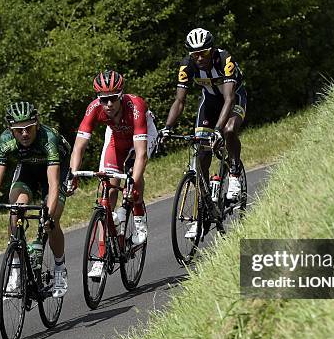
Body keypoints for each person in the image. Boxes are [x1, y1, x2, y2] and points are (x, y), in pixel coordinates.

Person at [0, 101, 71, 298]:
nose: (25, 134)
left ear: (36, 123)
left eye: (28, 128)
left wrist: (48, 215)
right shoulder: (5, 141)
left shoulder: (48, 138)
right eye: (19, 130)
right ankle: (17, 267)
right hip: (27, 170)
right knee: (16, 209)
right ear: (10, 129)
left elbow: (53, 184)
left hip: (54, 170)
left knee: (51, 219)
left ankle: (60, 267)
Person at [68, 70, 158, 278]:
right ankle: (100, 257)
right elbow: (79, 147)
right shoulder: (94, 109)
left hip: (142, 135)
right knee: (106, 193)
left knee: (134, 170)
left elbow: (142, 154)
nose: (108, 104)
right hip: (117, 137)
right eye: (104, 100)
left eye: (113, 99)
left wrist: (133, 183)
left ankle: (138, 216)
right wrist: (73, 174)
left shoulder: (135, 106)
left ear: (121, 96)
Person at [159, 28, 247, 238]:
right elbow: (180, 101)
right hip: (208, 103)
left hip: (233, 100)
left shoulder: (225, 60)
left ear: (212, 49)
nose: (199, 58)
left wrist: (217, 130)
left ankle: (234, 172)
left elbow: (229, 99)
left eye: (204, 53)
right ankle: (203, 212)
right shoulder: (186, 65)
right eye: (194, 53)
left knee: (228, 130)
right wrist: (167, 128)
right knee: (202, 152)